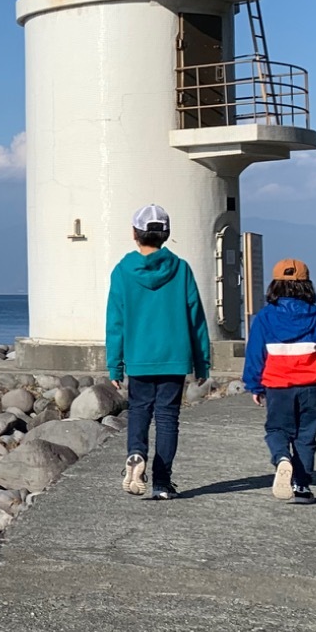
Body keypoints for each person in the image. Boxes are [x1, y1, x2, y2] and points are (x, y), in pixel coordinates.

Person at [106, 204, 211, 501]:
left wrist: (115, 365)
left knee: (139, 410)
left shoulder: (123, 271)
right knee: (167, 418)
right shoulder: (181, 269)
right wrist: (202, 362)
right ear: (166, 234)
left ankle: (136, 453)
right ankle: (162, 483)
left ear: (134, 234)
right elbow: (196, 318)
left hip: (139, 357)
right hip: (174, 356)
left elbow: (115, 321)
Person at [243, 257, 316, 502]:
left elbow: (255, 354)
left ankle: (281, 458)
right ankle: (302, 486)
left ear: (274, 285)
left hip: (277, 385)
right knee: (306, 436)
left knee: (277, 429)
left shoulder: (265, 317)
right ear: (307, 286)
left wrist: (254, 385)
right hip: (311, 386)